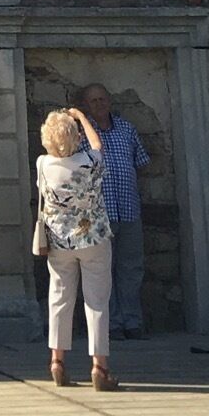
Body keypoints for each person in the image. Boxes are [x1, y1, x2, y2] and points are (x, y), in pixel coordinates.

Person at [33, 105, 118, 390]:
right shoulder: (91, 161)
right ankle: (99, 366)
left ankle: (57, 361)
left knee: (59, 299)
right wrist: (81, 116)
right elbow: (98, 144)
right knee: (96, 302)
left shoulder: (43, 164)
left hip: (59, 241)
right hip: (93, 238)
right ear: (76, 137)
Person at [78, 82, 150, 338]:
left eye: (103, 99)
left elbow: (141, 163)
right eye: (93, 101)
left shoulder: (127, 129)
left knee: (130, 268)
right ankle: (111, 324)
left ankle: (132, 321)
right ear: (85, 106)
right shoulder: (81, 134)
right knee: (102, 271)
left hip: (128, 209)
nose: (100, 104)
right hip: (99, 214)